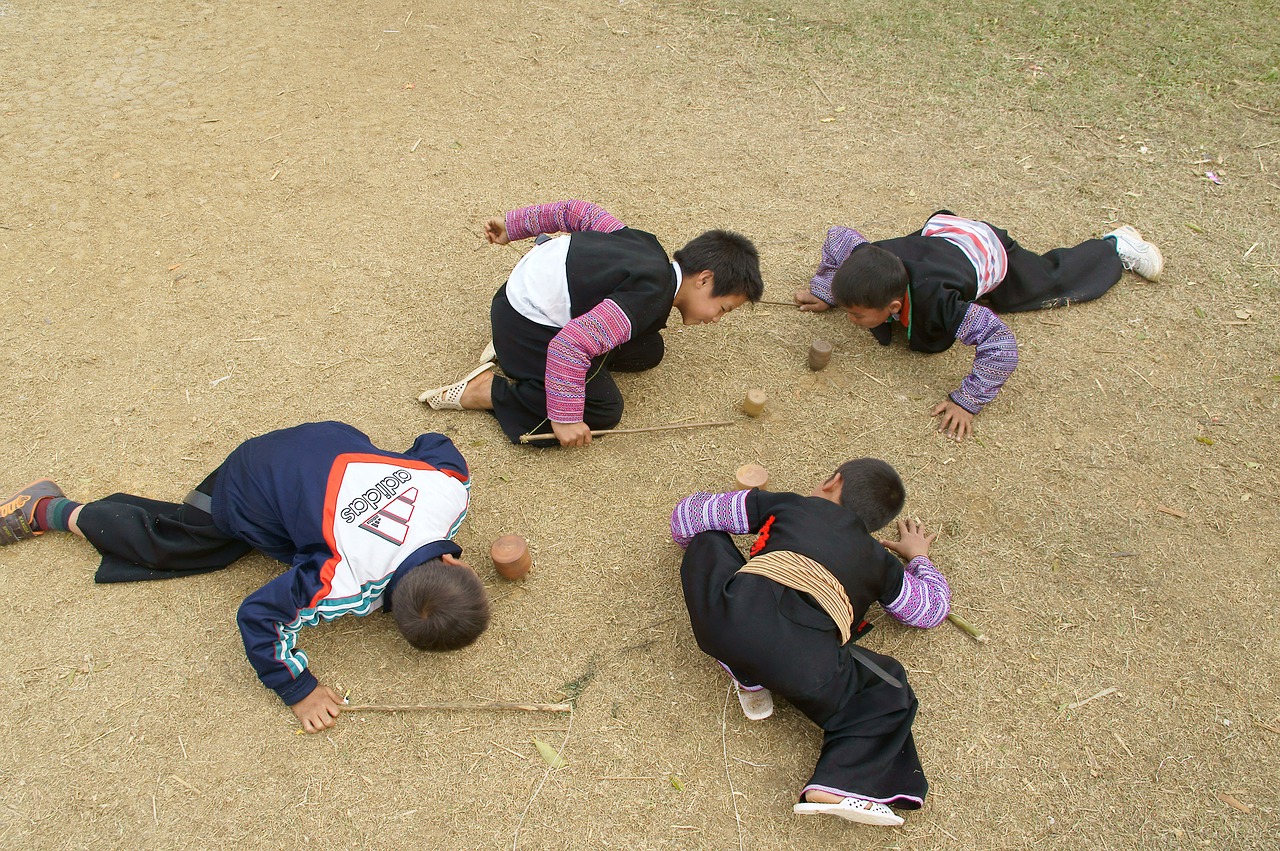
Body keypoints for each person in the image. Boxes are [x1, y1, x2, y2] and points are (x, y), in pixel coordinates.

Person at [0, 421, 490, 733]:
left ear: (457, 564)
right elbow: (259, 616)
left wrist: (390, 471)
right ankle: (49, 511)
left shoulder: (452, 492)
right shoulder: (341, 580)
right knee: (179, 544)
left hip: (325, 441)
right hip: (250, 478)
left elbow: (436, 444)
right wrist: (298, 689)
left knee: (309, 511)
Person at [670, 459, 951, 827]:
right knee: (889, 684)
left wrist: (735, 509)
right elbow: (931, 610)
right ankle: (840, 782)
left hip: (730, 620)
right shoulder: (881, 562)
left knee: (707, 539)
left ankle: (745, 669)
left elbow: (685, 518)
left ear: (833, 482)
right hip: (805, 664)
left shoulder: (787, 504)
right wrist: (918, 557)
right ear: (874, 524)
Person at [418, 199, 763, 447]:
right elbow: (569, 346)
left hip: (512, 299)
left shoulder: (648, 247)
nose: (716, 319)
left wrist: (515, 225)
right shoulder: (650, 296)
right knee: (603, 409)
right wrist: (565, 418)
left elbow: (577, 212)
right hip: (525, 327)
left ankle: (519, 356)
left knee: (649, 349)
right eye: (723, 308)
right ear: (704, 279)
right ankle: (488, 390)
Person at [793, 212, 1164, 441]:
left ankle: (1115, 247)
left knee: (1046, 286)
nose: (850, 319)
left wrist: (967, 401)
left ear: (893, 306)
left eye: (856, 314)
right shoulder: (859, 255)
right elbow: (838, 235)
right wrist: (827, 290)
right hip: (939, 239)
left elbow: (1000, 343)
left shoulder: (942, 304)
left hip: (984, 249)